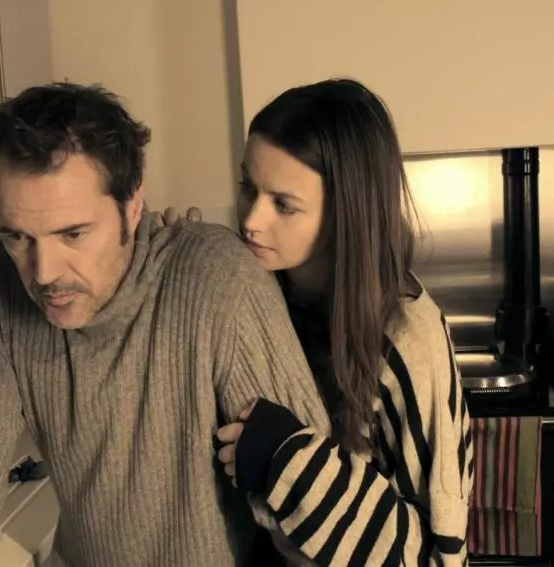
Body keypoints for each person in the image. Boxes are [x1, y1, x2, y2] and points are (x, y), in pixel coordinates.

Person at [0, 82, 332, 567]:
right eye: (17, 237)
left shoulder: (219, 279)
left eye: (73, 233)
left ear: (132, 205)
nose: (43, 273)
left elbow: (312, 520)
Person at [167, 79, 474, 565]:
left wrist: (286, 460)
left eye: (284, 205)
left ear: (346, 212)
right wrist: (179, 271)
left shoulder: (408, 341)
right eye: (247, 187)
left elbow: (439, 555)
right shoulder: (258, 286)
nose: (251, 220)